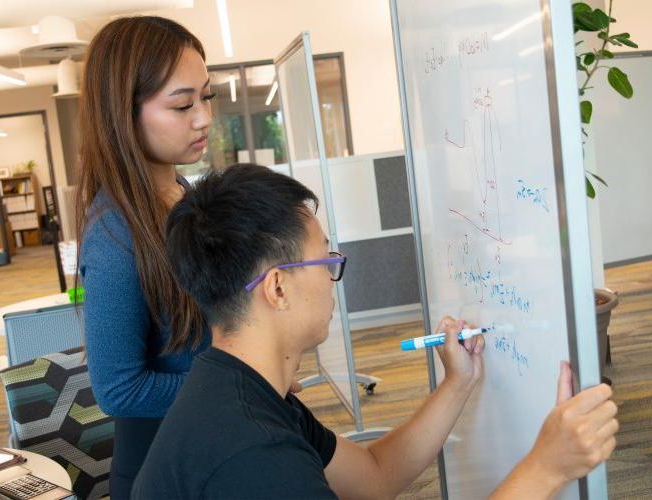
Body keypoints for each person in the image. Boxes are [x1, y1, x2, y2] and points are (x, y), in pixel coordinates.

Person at [131, 164, 618, 499]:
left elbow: (375, 477)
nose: (334, 274)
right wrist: (548, 465)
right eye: (326, 260)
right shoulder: (255, 455)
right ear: (276, 287)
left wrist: (458, 382)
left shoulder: (239, 388)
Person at [76, 16, 214, 498]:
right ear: (124, 113)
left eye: (206, 96)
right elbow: (120, 390)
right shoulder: (114, 229)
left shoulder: (184, 192)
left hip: (216, 447)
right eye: (182, 104)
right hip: (166, 471)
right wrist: (242, 388)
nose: (203, 118)